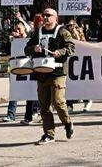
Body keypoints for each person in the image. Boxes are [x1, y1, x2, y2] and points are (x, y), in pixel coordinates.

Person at [25, 8, 75, 145]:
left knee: (58, 102)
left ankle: (67, 122)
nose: (45, 17)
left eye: (48, 15)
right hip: (41, 73)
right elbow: (26, 48)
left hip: (57, 73)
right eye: (44, 15)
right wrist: (33, 49)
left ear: (55, 18)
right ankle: (48, 133)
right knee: (44, 106)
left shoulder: (62, 32)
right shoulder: (38, 32)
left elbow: (71, 48)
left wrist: (61, 51)